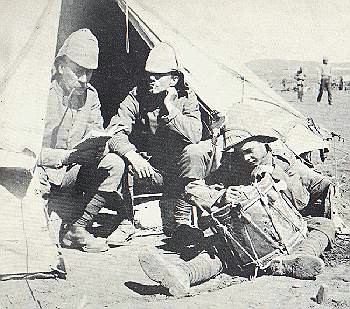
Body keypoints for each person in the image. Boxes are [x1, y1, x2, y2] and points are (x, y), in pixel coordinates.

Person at [138, 128, 335, 297]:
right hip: (243, 244)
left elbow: (301, 201)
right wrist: (221, 195)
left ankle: (300, 258)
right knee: (215, 249)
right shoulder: (233, 165)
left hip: (290, 233)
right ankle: (182, 274)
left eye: (250, 151)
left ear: (265, 143)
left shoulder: (285, 162)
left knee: (324, 225)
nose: (246, 158)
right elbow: (194, 190)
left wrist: (276, 177)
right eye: (240, 153)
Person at [106, 42, 214, 239]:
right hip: (150, 168)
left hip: (180, 170)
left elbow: (195, 134)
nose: (151, 79)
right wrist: (133, 156)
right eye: (149, 74)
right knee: (121, 159)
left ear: (173, 79)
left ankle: (181, 224)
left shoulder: (186, 98)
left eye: (158, 75)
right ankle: (126, 221)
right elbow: (114, 131)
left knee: (194, 152)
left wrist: (170, 108)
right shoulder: (137, 96)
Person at [37, 29, 130, 253]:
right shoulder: (41, 94)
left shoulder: (92, 96)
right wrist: (64, 157)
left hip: (71, 174)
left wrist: (99, 147)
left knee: (114, 164)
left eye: (89, 74)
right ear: (60, 66)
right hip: (41, 172)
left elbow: (95, 131)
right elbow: (26, 151)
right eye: (78, 71)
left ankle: (76, 229)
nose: (83, 80)